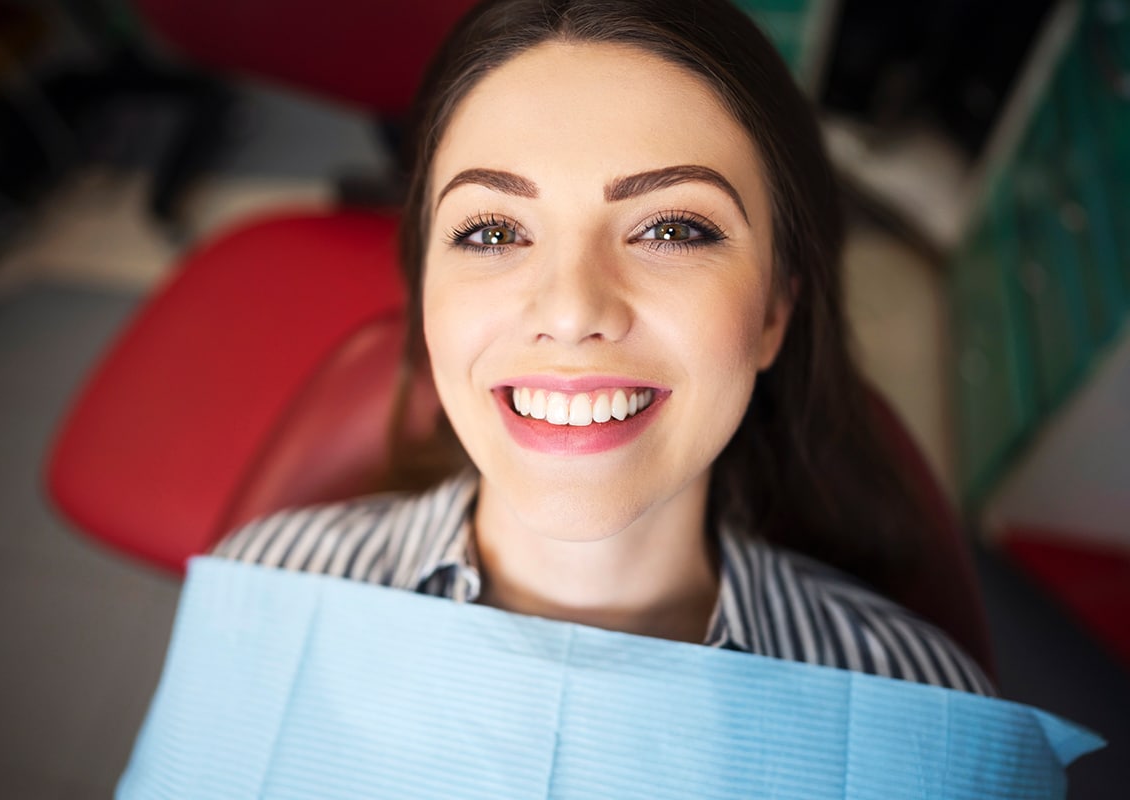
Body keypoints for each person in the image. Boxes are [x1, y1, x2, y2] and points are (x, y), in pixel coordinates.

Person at [213, 0, 994, 696]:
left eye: (671, 229)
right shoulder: (272, 587)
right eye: (491, 232)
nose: (571, 309)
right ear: (426, 296)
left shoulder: (922, 701)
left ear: (774, 313)